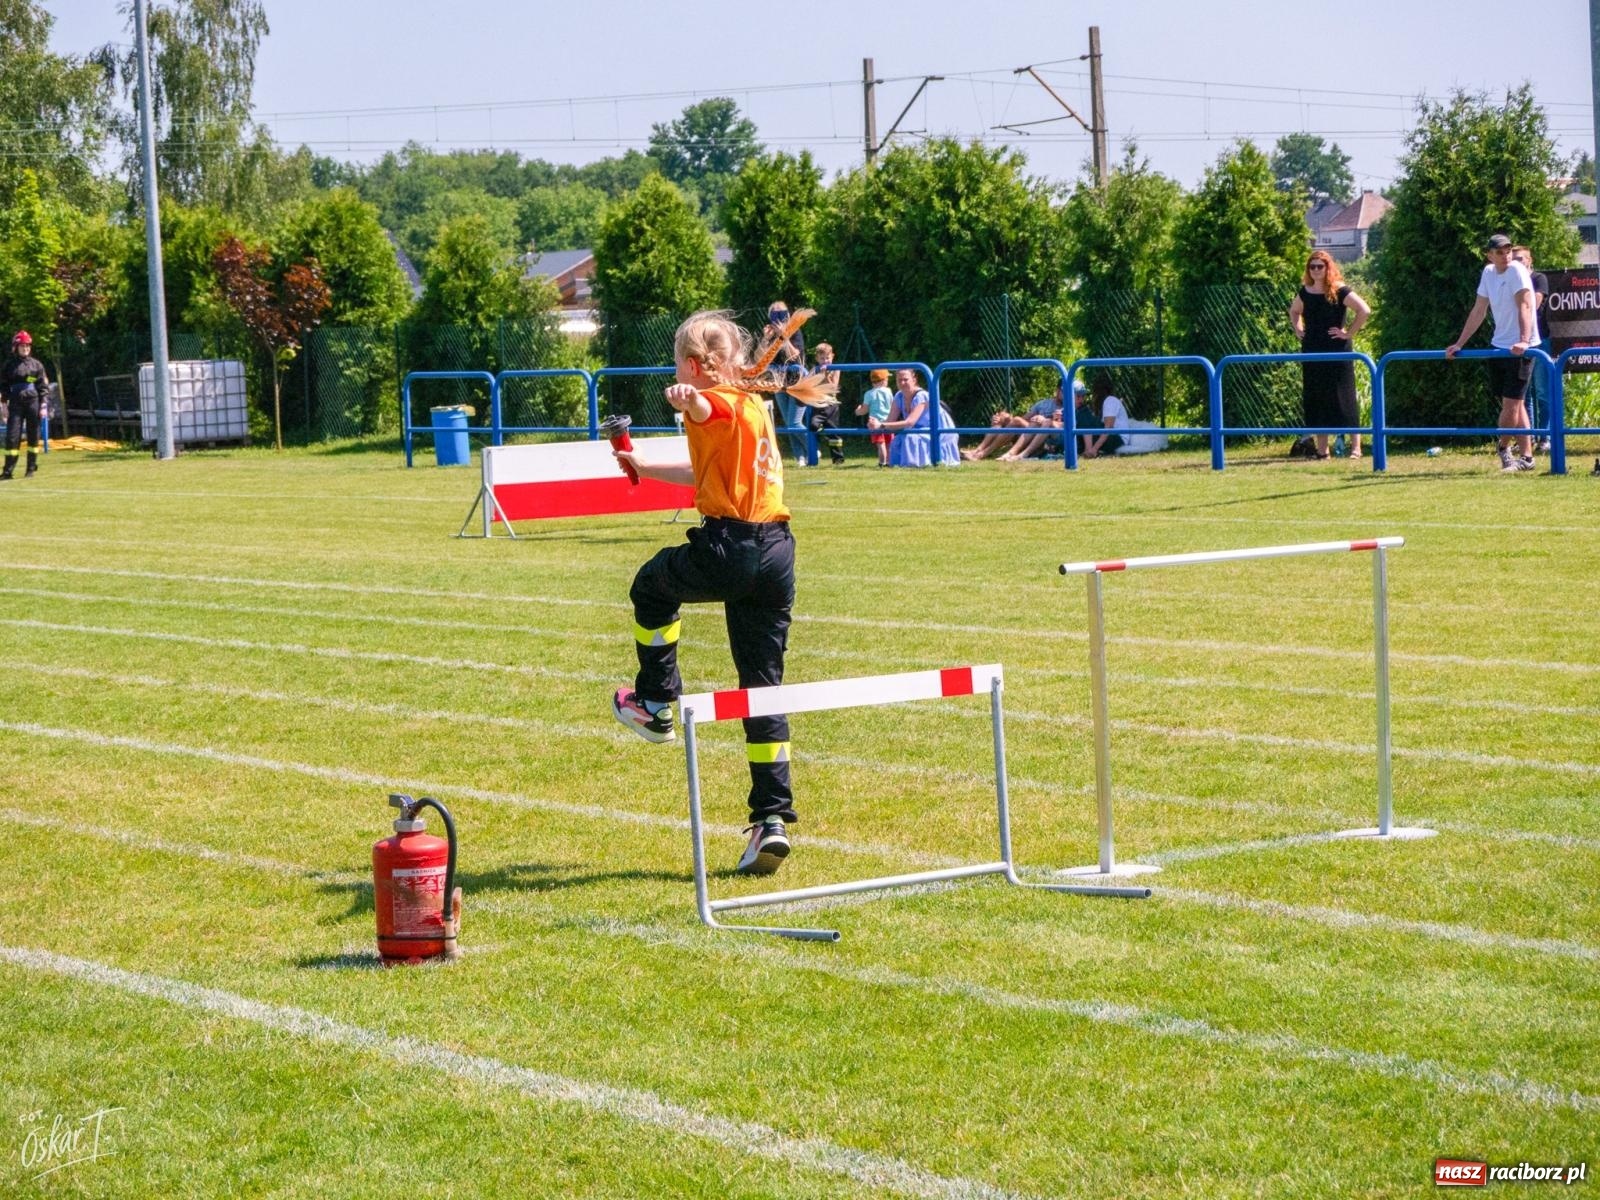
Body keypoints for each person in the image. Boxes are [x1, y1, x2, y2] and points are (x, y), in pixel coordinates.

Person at [610, 309, 834, 877]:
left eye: (679, 363)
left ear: (692, 362)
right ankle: (772, 819)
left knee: (650, 586)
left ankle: (657, 702)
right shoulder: (752, 403)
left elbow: (701, 405)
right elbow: (705, 471)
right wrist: (641, 461)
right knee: (763, 687)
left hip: (731, 547)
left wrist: (686, 396)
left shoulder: (713, 401)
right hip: (778, 552)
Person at [1446, 233, 1539, 472]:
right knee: (1513, 405)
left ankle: (1503, 447)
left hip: (1521, 348)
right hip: (1499, 345)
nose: (1506, 255)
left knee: (1512, 405)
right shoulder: (1488, 273)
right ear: (1489, 255)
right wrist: (1459, 343)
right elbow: (1479, 310)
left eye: (1508, 250)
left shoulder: (1516, 270)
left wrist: (1523, 341)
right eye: (1499, 251)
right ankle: (1527, 457)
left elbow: (1526, 305)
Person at [1288, 250, 1370, 461]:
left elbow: (1364, 310)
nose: (1315, 270)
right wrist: (1298, 329)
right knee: (1317, 398)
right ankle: (1323, 451)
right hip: (1312, 350)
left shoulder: (1339, 290)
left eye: (1319, 266)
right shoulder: (1305, 291)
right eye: (1312, 266)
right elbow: (1294, 311)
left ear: (1328, 268)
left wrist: (1348, 333)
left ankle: (1356, 448)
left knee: (1345, 397)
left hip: (1337, 350)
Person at [1511, 246, 1551, 453]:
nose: (1517, 262)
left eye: (1521, 259)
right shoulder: (1509, 280)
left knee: (1544, 392)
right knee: (1522, 395)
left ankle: (1545, 437)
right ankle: (1527, 438)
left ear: (1529, 260)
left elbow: (1533, 305)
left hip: (1540, 341)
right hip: (1518, 343)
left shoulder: (1538, 278)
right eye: (1514, 259)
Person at [881, 367, 960, 467]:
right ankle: (897, 465)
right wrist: (877, 424)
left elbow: (910, 422)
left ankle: (912, 464)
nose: (902, 383)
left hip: (939, 430)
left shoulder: (922, 396)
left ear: (914, 380)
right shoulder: (899, 396)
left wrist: (881, 425)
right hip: (919, 429)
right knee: (898, 439)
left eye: (905, 379)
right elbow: (890, 421)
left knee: (910, 438)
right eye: (899, 380)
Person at [761, 300, 808, 465]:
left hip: (798, 382)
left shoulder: (795, 332)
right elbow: (761, 358)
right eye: (775, 316)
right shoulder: (770, 334)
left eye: (782, 315)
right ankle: (800, 457)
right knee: (789, 424)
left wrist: (784, 337)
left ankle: (811, 448)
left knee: (795, 422)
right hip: (779, 383)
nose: (779, 320)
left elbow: (795, 355)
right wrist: (766, 340)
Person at [2, 331, 50, 480]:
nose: (26, 348)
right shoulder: (9, 365)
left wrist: (43, 406)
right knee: (12, 437)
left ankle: (30, 469)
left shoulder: (37, 365)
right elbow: (3, 386)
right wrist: (3, 405)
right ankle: (8, 471)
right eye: (22, 346)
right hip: (15, 403)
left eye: (28, 346)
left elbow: (43, 387)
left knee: (33, 436)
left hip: (33, 403)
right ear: (15, 347)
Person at [1000, 380, 1084, 461]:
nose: (1066, 395)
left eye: (1081, 396)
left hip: (1068, 441)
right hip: (1052, 437)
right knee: (1033, 422)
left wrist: (1090, 449)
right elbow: (1025, 418)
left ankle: (1023, 454)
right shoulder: (1062, 408)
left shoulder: (1082, 411)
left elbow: (1073, 428)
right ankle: (1011, 453)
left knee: (1045, 422)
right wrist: (1052, 419)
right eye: (1078, 396)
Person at [798, 341, 845, 465]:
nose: (825, 361)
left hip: (831, 405)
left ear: (832, 356)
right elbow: (807, 381)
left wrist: (825, 375)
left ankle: (838, 459)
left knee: (834, 434)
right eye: (822, 358)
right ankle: (817, 445)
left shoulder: (836, 369)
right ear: (817, 358)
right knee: (813, 426)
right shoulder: (815, 369)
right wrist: (815, 375)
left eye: (827, 358)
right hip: (818, 404)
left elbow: (833, 386)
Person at [1081, 376, 1130, 459]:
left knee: (1085, 418)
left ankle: (1090, 451)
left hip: (1118, 439)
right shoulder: (1106, 402)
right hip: (1113, 437)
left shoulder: (1110, 400)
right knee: (1084, 420)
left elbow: (1108, 428)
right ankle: (1087, 450)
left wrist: (1094, 449)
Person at [855, 367, 894, 467]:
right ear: (884, 380)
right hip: (888, 422)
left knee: (880, 444)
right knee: (889, 443)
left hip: (875, 422)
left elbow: (865, 410)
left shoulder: (869, 394)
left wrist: (858, 411)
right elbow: (893, 405)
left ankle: (882, 462)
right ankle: (889, 462)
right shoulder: (888, 391)